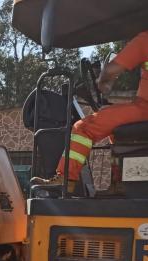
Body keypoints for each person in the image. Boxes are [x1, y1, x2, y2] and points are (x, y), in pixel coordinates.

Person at [32, 31, 148, 190]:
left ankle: (65, 179)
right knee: (115, 131)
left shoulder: (145, 40)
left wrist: (102, 81)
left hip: (145, 109)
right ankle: (120, 184)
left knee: (84, 128)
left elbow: (112, 69)